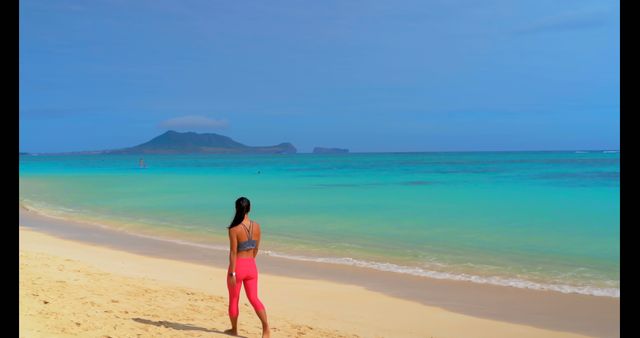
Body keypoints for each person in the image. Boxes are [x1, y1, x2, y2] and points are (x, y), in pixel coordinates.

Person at [225, 197, 270, 337]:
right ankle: (266, 328)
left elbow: (233, 252)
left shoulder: (234, 229)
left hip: (238, 267)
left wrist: (232, 273)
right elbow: (256, 249)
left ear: (236, 209)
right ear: (249, 209)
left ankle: (234, 330)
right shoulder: (257, 226)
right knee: (254, 298)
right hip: (251, 266)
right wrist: (250, 262)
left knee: (234, 299)